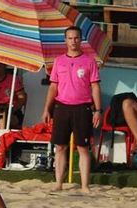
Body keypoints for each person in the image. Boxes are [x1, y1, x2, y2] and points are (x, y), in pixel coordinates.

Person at [41, 26, 101, 193]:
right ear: (65, 40)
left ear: (80, 40)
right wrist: (47, 108)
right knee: (60, 147)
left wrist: (98, 110)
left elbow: (95, 87)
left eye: (76, 38)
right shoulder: (59, 61)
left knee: (83, 148)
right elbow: (53, 87)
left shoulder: (89, 61)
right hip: (62, 107)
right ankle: (58, 183)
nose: (73, 41)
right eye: (70, 38)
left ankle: (84, 185)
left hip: (82, 108)